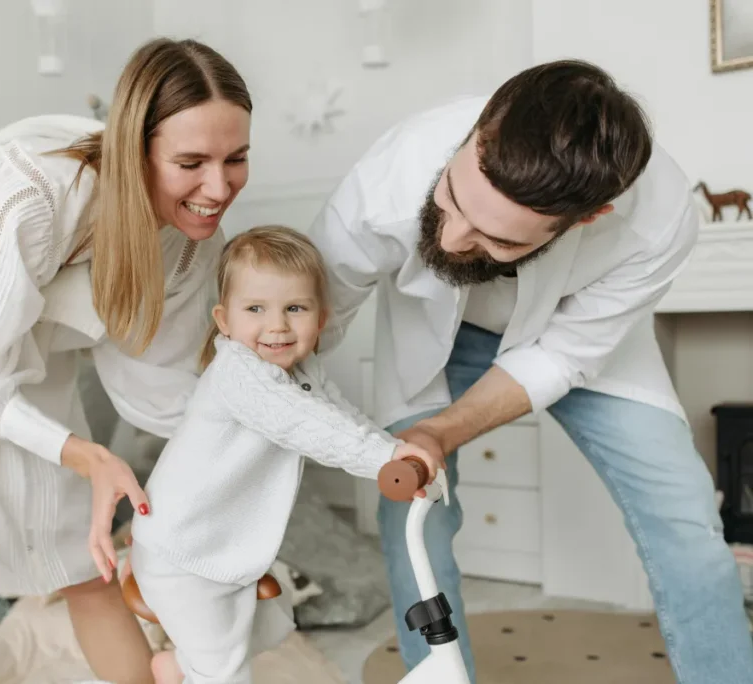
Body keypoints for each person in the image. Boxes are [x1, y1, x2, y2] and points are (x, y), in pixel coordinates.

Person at [307, 59, 753, 684]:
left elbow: (565, 355)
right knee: (412, 516)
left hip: (578, 339)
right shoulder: (399, 166)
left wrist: (445, 430)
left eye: (500, 240)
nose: (455, 238)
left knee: (687, 519)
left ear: (589, 216)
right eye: (452, 199)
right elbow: (312, 307)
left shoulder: (660, 220)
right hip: (435, 333)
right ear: (479, 132)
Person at [0, 37, 253, 684]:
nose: (219, 187)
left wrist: (233, 463)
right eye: (191, 162)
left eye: (237, 158)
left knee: (84, 563)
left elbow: (162, 388)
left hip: (27, 337)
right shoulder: (31, 191)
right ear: (135, 150)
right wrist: (86, 454)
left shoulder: (191, 244)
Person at [126, 226, 440, 684]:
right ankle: (192, 669)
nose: (277, 326)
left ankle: (177, 666)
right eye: (256, 309)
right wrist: (381, 458)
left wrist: (396, 450)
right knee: (223, 674)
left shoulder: (304, 369)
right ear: (224, 320)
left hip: (225, 548)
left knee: (275, 622)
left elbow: (338, 417)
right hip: (182, 553)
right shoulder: (239, 374)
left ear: (320, 318)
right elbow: (305, 425)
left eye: (295, 308)